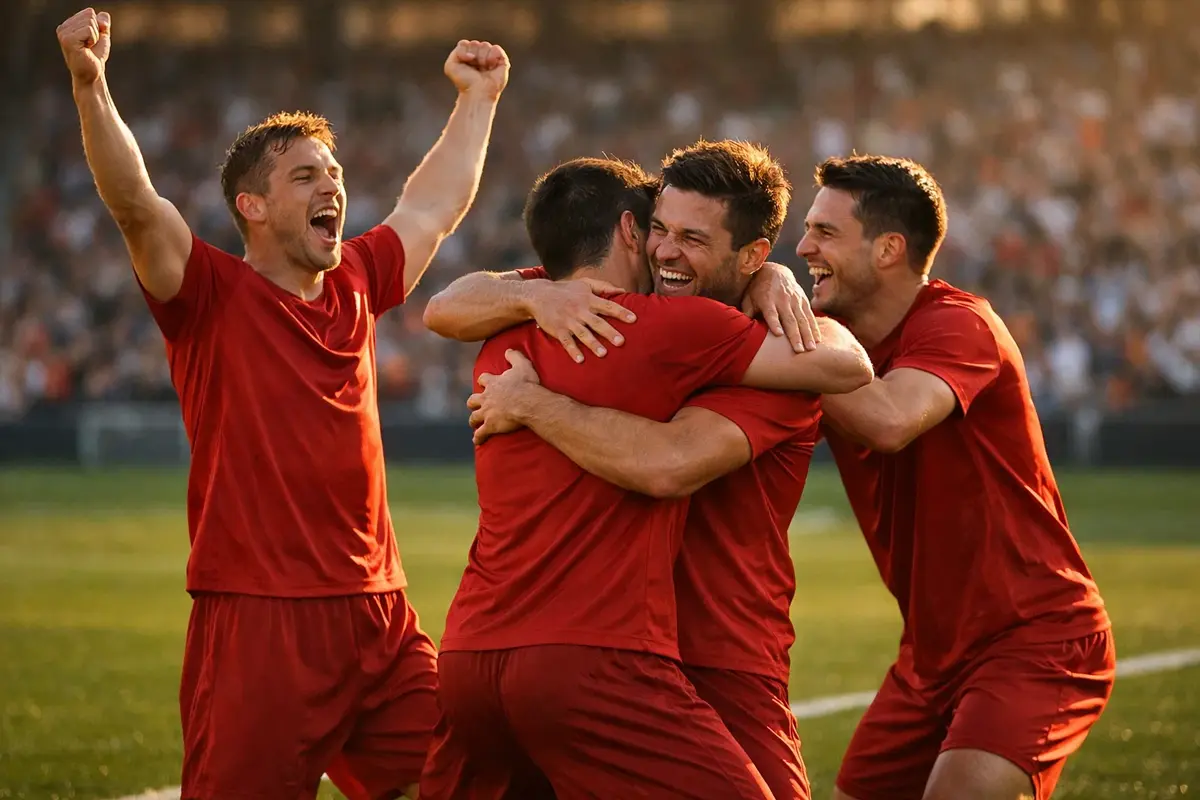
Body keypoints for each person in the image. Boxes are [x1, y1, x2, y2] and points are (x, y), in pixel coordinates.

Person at [56, 8, 509, 799]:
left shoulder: (359, 281)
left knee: (475, 773)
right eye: (305, 175)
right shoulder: (207, 295)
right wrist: (90, 84)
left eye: (333, 172)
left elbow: (432, 205)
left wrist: (479, 100)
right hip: (260, 621)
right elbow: (134, 203)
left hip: (379, 613)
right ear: (252, 208)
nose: (331, 184)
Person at [418, 155, 872, 800]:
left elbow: (669, 461)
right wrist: (536, 292)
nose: (667, 251)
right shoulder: (590, 309)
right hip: (610, 655)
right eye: (661, 229)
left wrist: (777, 282)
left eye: (694, 239)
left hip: (712, 654)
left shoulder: (756, 351)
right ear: (635, 229)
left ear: (751, 253)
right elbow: (448, 303)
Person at [793, 155, 1114, 800]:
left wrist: (774, 342)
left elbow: (888, 420)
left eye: (826, 232)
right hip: (930, 654)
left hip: (1037, 636)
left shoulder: (959, 323)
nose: (803, 248)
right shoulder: (829, 340)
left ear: (889, 249)